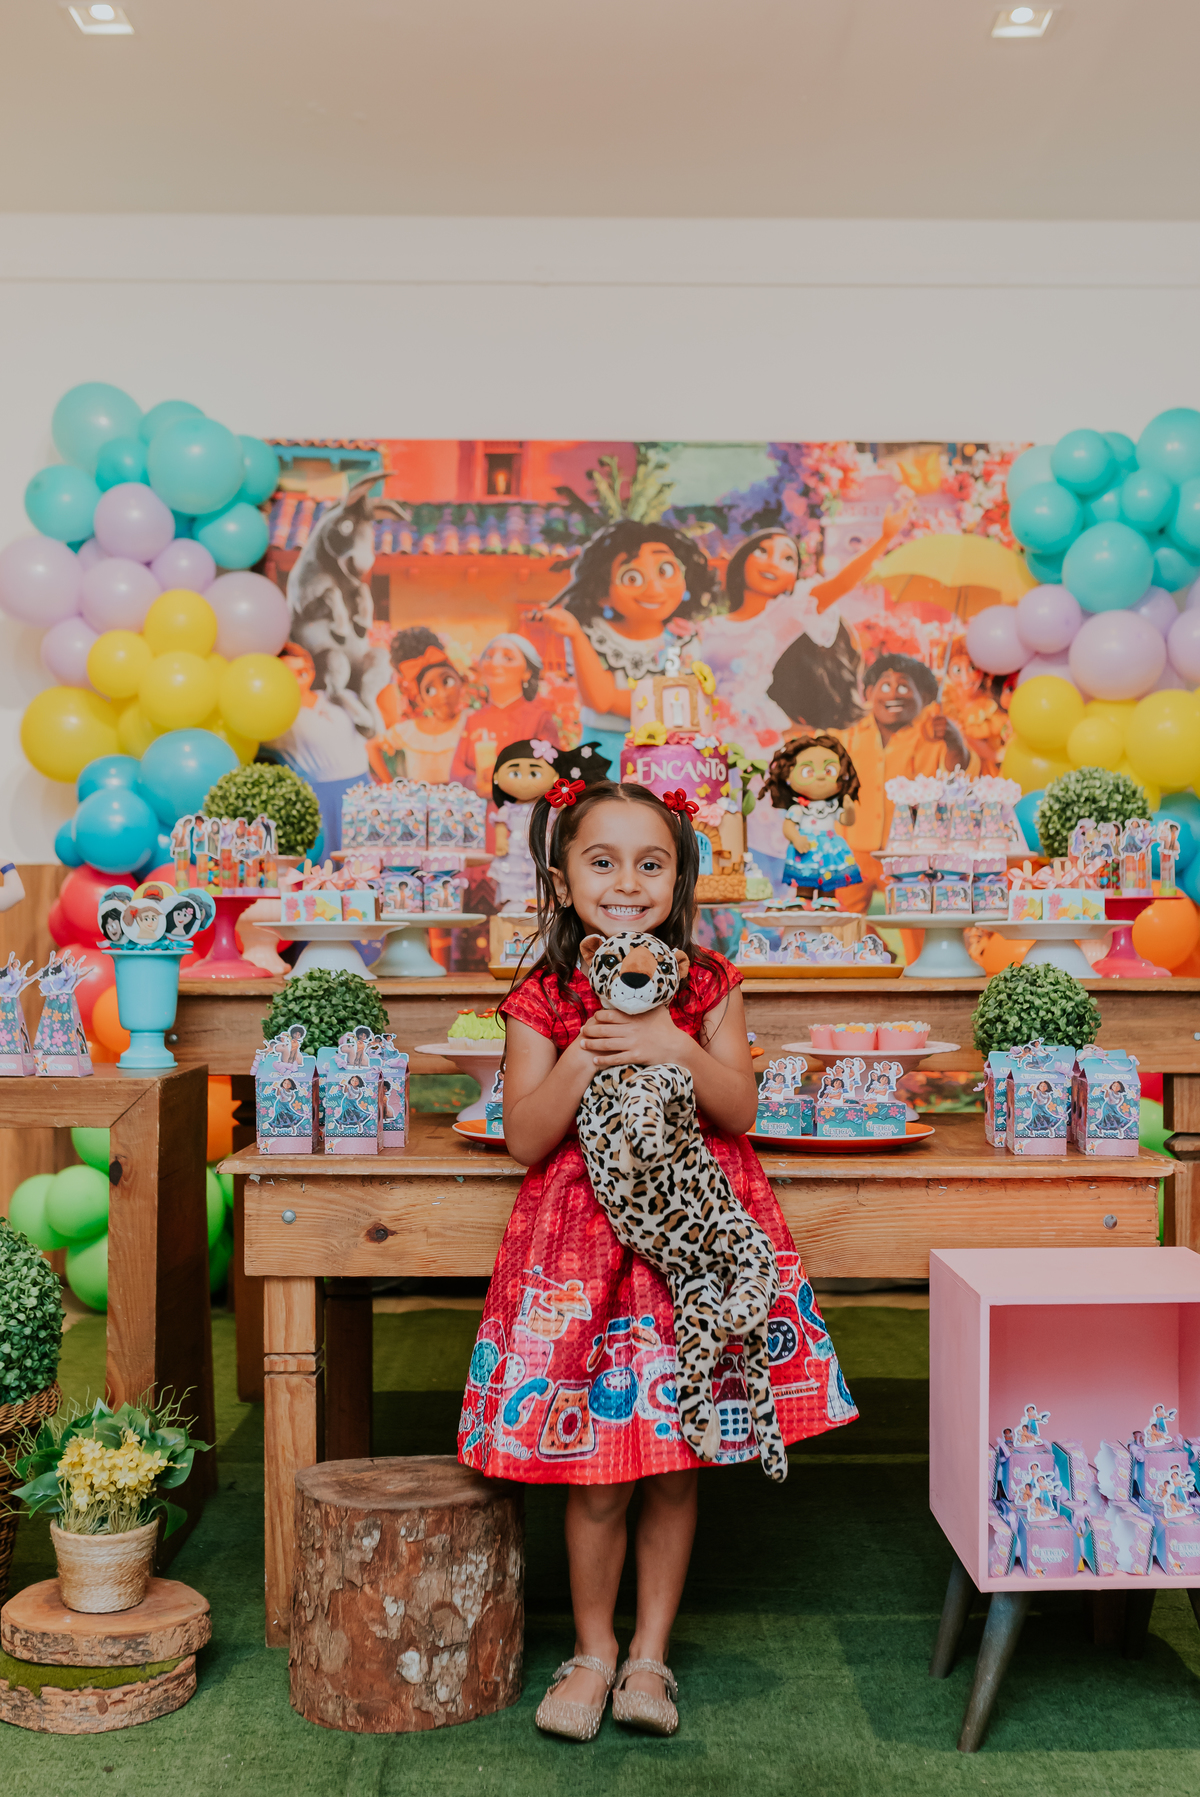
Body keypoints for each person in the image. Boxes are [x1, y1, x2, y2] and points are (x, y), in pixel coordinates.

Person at [458, 777, 854, 1741]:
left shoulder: (709, 981)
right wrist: (590, 1055)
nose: (628, 882)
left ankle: (650, 1656)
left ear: (681, 879)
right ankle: (592, 1650)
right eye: (602, 861)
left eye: (651, 863)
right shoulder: (543, 994)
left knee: (677, 1461)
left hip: (693, 1258)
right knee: (600, 1468)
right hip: (584, 1253)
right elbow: (523, 1135)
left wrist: (668, 1040)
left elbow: (739, 1108)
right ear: (561, 878)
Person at [532, 520, 717, 771]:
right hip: (604, 754)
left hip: (665, 760)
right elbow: (598, 700)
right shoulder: (591, 633)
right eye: (632, 577)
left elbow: (680, 709)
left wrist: (620, 699)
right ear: (602, 590)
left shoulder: (682, 638)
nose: (654, 588)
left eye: (665, 571)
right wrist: (575, 635)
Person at [813, 654, 980, 902]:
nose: (893, 695)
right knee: (843, 923)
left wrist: (954, 741)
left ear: (923, 696)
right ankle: (874, 943)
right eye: (885, 686)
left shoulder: (933, 734)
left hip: (911, 855)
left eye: (903, 687)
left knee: (917, 924)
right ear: (869, 692)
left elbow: (959, 778)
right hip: (851, 851)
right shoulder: (848, 733)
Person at [450, 634, 560, 795]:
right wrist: (474, 782)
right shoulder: (474, 719)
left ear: (527, 672)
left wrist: (508, 781)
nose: (495, 663)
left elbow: (552, 772)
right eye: (489, 656)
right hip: (481, 813)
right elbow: (456, 770)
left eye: (508, 658)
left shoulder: (539, 719)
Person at [371, 626, 469, 785]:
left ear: (462, 681)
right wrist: (390, 785)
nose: (443, 694)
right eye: (430, 690)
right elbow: (372, 746)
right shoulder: (410, 731)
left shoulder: (470, 723)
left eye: (447, 682)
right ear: (420, 699)